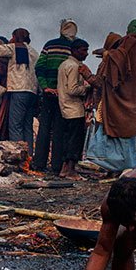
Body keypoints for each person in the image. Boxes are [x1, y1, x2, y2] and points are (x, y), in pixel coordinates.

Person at [82, 20, 136, 175]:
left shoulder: (131, 41)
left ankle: (114, 164)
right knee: (122, 132)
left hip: (120, 99)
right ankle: (123, 166)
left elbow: (118, 62)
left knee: (115, 130)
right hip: (132, 96)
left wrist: (106, 56)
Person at [33, 18, 78, 173]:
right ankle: (57, 166)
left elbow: (39, 67)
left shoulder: (49, 45)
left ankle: (39, 163)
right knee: (59, 130)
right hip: (64, 95)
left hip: (48, 94)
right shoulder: (74, 48)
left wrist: (45, 87)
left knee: (44, 128)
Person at [57, 38, 91, 179]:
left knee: (68, 139)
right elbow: (73, 89)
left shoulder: (64, 64)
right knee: (74, 141)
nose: (86, 53)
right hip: (74, 108)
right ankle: (70, 171)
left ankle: (65, 170)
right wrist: (88, 87)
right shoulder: (74, 66)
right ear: (75, 50)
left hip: (65, 107)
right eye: (83, 50)